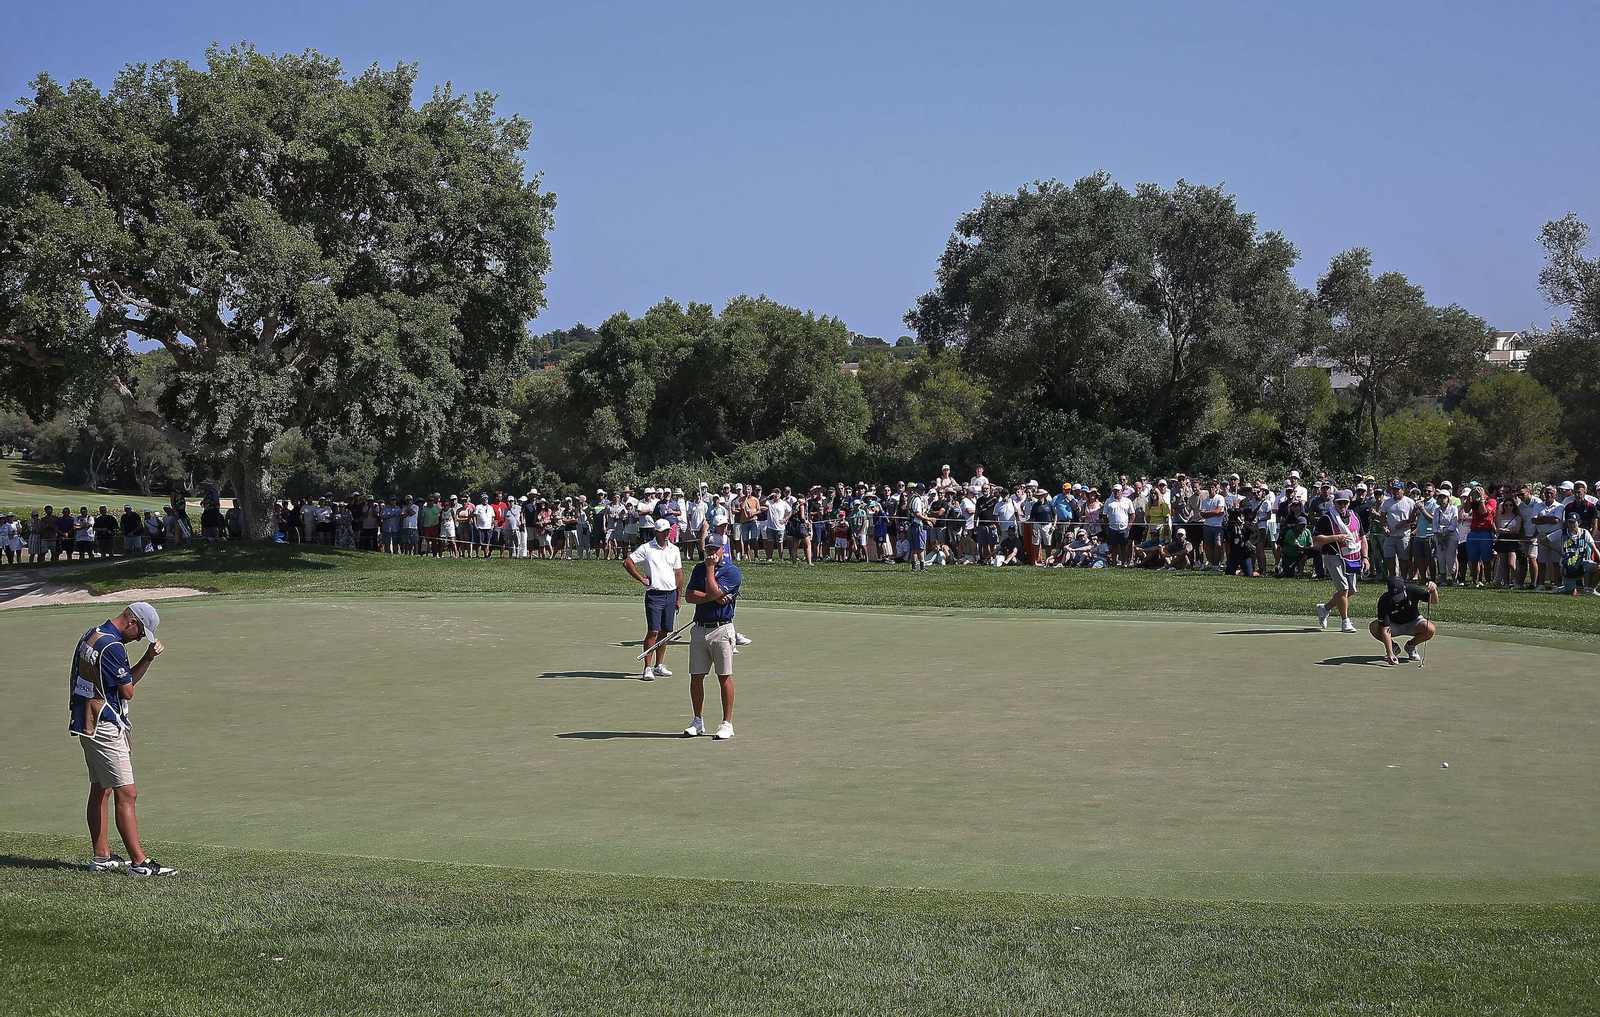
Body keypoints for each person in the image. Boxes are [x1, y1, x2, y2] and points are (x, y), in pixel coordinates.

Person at [68, 601, 175, 877]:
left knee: (100, 788)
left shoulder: (91, 634)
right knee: (127, 793)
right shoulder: (113, 647)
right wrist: (148, 659)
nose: (139, 638)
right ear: (131, 622)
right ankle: (139, 864)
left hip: (86, 721)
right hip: (104, 724)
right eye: (140, 632)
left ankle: (102, 856)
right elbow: (127, 691)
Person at [682, 533, 741, 740]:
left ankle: (727, 723)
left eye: (715, 549)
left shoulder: (732, 572)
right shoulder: (699, 568)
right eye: (708, 549)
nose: (711, 552)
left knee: (724, 676)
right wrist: (712, 597)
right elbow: (689, 596)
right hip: (699, 629)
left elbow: (716, 591)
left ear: (722, 550)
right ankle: (697, 721)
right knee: (696, 677)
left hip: (721, 629)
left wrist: (710, 576)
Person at [623, 518, 684, 681]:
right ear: (656, 532)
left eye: (668, 531)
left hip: (670, 595)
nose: (666, 534)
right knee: (653, 631)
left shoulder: (674, 550)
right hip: (654, 595)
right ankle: (647, 667)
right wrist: (642, 579)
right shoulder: (647, 548)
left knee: (664, 632)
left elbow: (678, 573)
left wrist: (679, 597)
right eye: (663, 531)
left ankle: (659, 665)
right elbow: (628, 562)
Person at [1314, 489, 1365, 633]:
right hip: (1332, 555)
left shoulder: (1354, 516)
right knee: (1343, 589)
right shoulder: (1327, 518)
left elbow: (1362, 538)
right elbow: (1316, 539)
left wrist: (1365, 557)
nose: (1342, 505)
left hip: (1352, 556)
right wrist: (1337, 537)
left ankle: (1325, 608)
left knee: (1352, 590)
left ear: (1349, 503)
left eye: (1345, 502)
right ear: (1334, 503)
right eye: (1339, 503)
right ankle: (1345, 621)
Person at [1370, 576, 1438, 665]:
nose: (1397, 600)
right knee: (1374, 626)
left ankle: (1411, 646)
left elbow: (1433, 601)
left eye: (1399, 596)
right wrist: (1390, 653)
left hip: (1413, 622)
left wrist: (1434, 590)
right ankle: (1394, 648)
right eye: (1394, 597)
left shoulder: (1413, 589)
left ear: (1404, 588)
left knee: (1430, 629)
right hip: (1393, 625)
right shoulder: (1384, 600)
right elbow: (1385, 628)